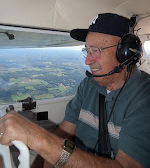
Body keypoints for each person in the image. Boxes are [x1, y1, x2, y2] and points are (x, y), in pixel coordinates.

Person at [0, 13, 150, 168]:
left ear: (126, 53)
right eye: (87, 50)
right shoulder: (88, 85)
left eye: (96, 50)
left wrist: (38, 138)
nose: (87, 60)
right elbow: (65, 131)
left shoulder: (145, 98)